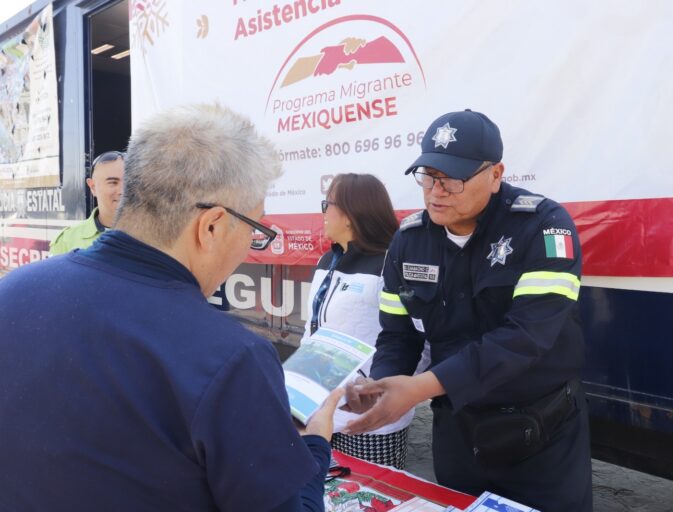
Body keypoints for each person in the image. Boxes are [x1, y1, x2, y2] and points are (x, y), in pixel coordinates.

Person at [0, 103, 342, 512]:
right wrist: (315, 446)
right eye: (255, 228)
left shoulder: (13, 291)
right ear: (212, 226)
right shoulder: (230, 358)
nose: (251, 246)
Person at [343, 109, 593, 511]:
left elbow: (525, 338)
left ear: (495, 175)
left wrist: (419, 389)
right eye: (428, 176)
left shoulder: (543, 227)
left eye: (452, 179)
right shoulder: (410, 241)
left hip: (541, 435)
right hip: (457, 432)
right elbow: (398, 335)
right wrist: (383, 385)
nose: (436, 192)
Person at [301, 173, 418, 469]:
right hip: (320, 409)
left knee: (367, 497)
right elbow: (312, 329)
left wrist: (384, 392)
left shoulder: (390, 263)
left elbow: (415, 339)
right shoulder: (326, 261)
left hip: (369, 415)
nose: (323, 212)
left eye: (328, 204)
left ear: (352, 213)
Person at [49, 150, 125, 255]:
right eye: (112, 182)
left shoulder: (154, 236)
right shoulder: (67, 241)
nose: (122, 191)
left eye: (129, 181)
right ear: (93, 187)